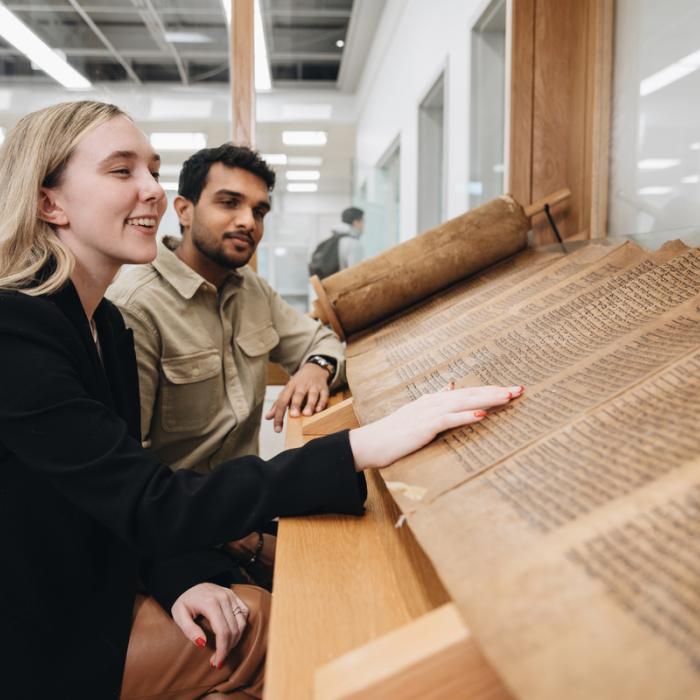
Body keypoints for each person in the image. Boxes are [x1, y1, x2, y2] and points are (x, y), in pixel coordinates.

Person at [0, 100, 521, 699]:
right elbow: (149, 497)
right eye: (122, 171)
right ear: (49, 202)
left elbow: (119, 495)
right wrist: (362, 444)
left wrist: (180, 581)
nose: (150, 189)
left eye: (152, 168)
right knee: (298, 631)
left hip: (120, 568)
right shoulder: (19, 330)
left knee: (264, 611)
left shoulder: (105, 324)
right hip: (44, 625)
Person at [108, 145, 344, 480]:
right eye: (229, 202)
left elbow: (320, 341)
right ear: (184, 211)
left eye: (259, 211)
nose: (248, 221)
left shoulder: (250, 288)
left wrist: (316, 367)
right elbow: (129, 470)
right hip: (185, 520)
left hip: (250, 503)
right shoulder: (135, 308)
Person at [308, 206, 365, 279]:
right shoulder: (353, 243)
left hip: (330, 285)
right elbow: (355, 274)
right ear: (356, 222)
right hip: (344, 287)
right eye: (363, 221)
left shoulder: (334, 239)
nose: (363, 225)